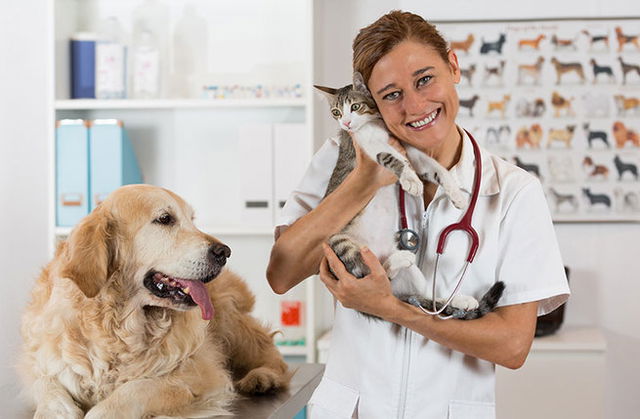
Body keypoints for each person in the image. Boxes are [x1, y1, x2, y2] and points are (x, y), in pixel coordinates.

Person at [267, 10, 570, 419]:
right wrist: (362, 182)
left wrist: (392, 308)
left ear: (454, 66)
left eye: (425, 79)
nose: (415, 105)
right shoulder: (337, 156)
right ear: (373, 103)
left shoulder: (514, 192)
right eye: (391, 94)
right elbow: (282, 273)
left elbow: (512, 347)